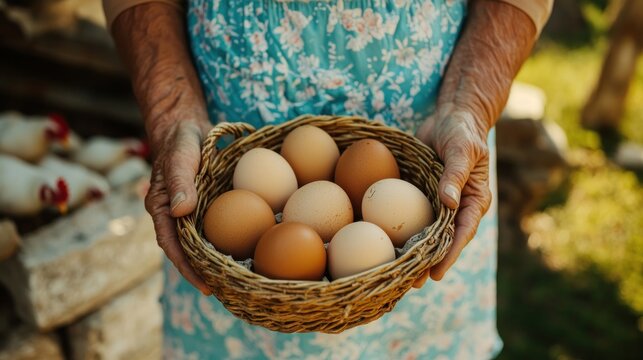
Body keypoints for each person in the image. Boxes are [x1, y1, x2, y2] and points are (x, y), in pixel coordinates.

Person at [103, 0, 552, 358]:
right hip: (215, 162)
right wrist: (171, 113)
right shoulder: (235, 187)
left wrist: (467, 107)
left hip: (430, 160)